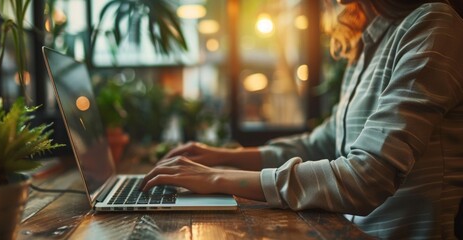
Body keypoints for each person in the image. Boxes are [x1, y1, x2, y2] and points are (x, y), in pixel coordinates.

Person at [140, 0, 463, 239]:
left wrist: (218, 178)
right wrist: (220, 156)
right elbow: (320, 143)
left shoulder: (434, 26)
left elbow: (369, 178)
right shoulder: (367, 43)